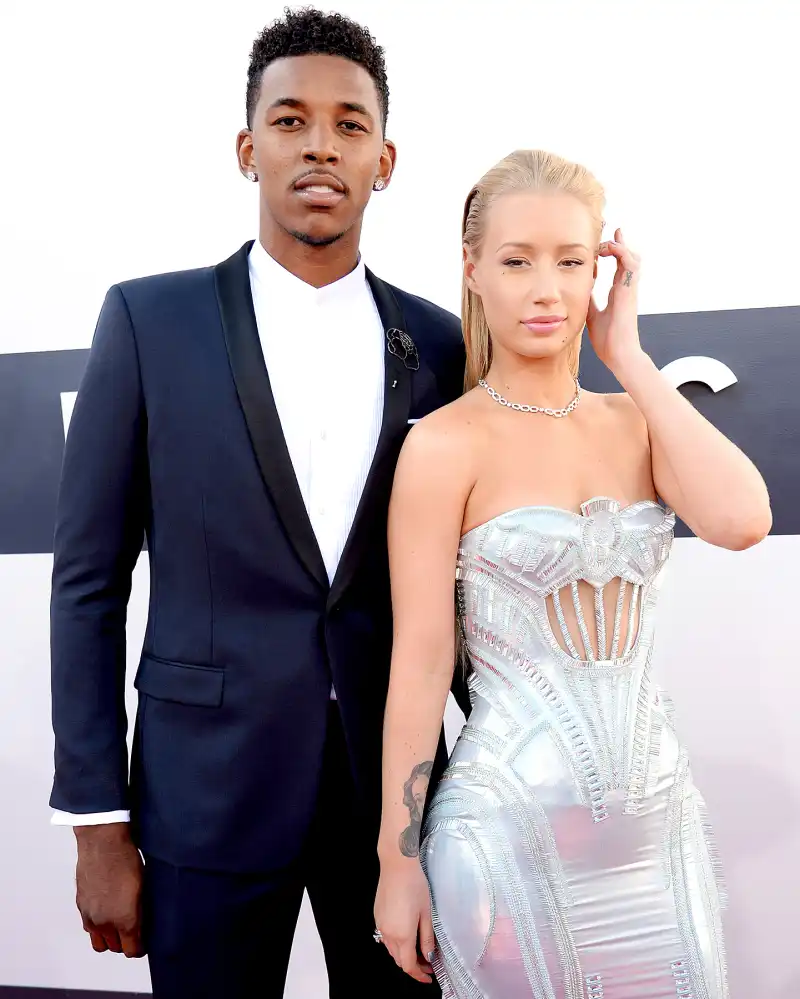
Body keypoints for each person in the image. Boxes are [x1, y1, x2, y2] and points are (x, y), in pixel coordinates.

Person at [48, 9, 467, 998]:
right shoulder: (148, 321)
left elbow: (466, 590)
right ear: (248, 149)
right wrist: (97, 822)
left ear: (384, 161)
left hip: (396, 804)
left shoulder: (442, 344)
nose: (320, 144)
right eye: (289, 120)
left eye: (349, 124)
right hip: (205, 793)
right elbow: (88, 583)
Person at [374, 149, 771, 996]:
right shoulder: (444, 444)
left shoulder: (638, 421)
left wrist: (628, 356)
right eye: (517, 261)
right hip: (504, 835)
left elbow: (743, 520)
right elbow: (420, 664)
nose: (546, 289)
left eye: (570, 261)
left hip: (658, 838)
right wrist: (396, 860)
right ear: (474, 270)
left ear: (601, 272)